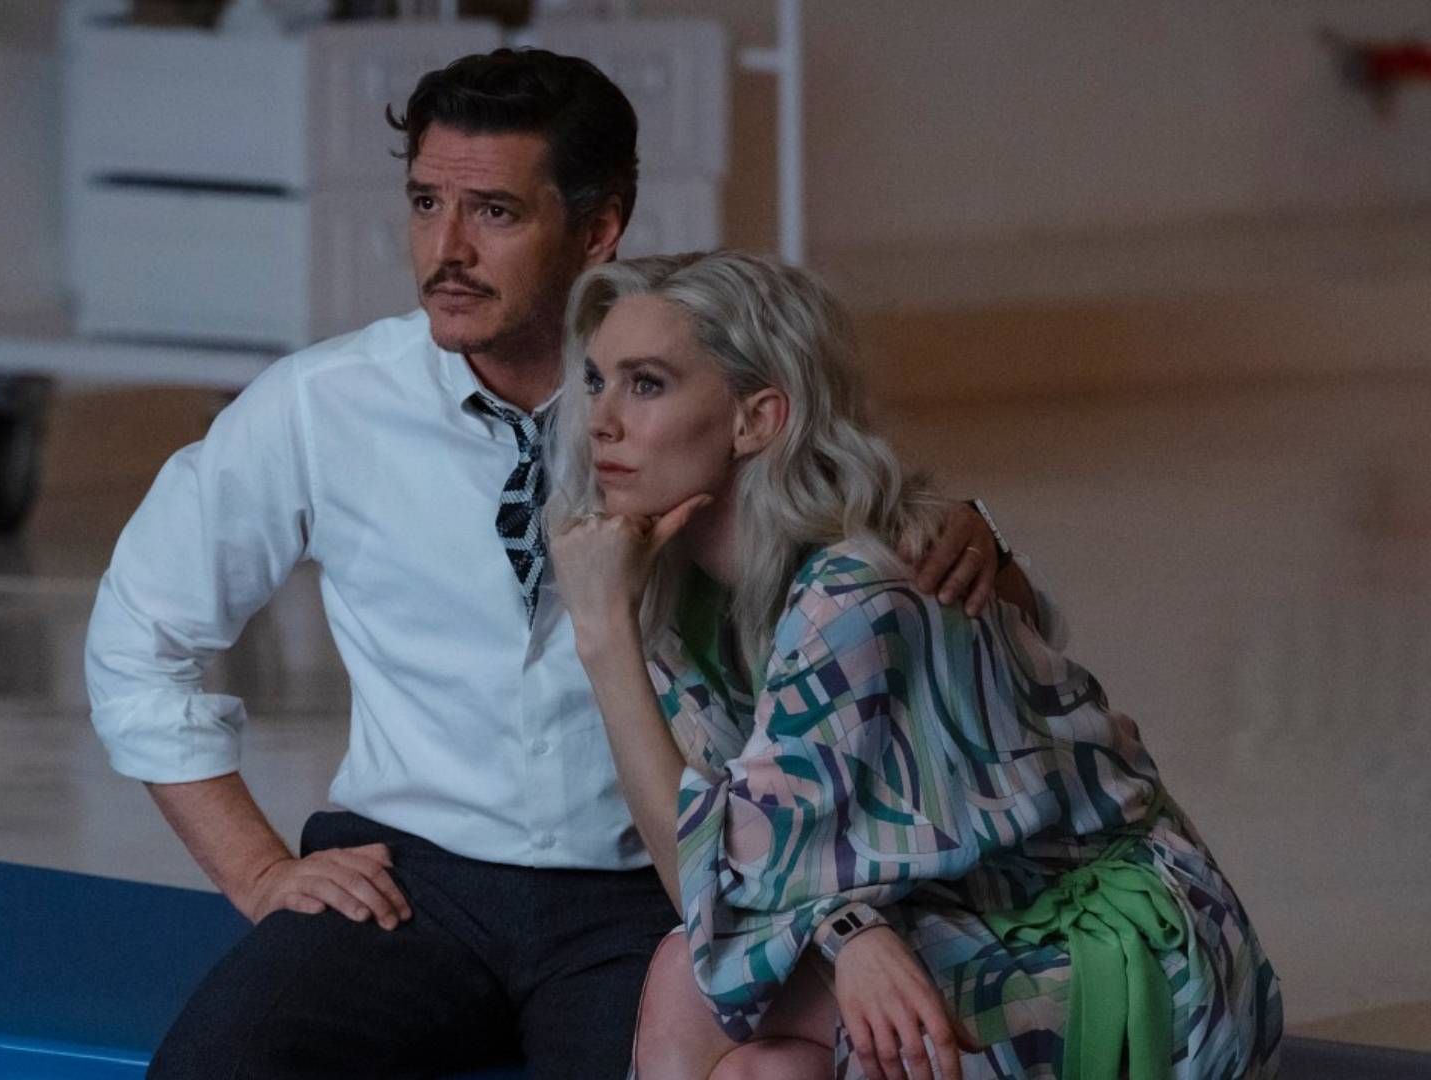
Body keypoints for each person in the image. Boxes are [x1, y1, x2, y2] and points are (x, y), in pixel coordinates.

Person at [85, 50, 1018, 1079]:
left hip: (647, 891)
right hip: (407, 882)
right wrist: (259, 871)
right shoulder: (322, 405)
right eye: (426, 202)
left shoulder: (692, 401)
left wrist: (963, 530)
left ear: (598, 228)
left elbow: (851, 534)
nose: (446, 249)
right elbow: (140, 633)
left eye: (494, 212)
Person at [547, 251, 1285, 1080]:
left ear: (758, 420)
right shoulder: (676, 592)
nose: (601, 421)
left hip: (1110, 942)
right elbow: (744, 872)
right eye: (596, 381)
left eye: (646, 384)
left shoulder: (854, 593)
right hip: (944, 920)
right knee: (765, 1070)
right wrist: (849, 936)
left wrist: (602, 635)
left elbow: (712, 887)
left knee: (690, 980)